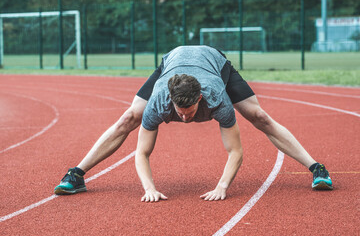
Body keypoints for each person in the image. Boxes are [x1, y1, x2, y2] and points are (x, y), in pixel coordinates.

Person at [54, 46, 333, 200]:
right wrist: (149, 189)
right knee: (128, 117)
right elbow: (142, 152)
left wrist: (223, 187)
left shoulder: (218, 100)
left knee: (260, 117)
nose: (185, 119)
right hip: (171, 63)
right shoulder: (159, 102)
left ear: (200, 98)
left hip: (214, 63)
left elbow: (235, 151)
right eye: (180, 112)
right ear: (170, 101)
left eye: (190, 111)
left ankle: (317, 168)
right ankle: (76, 174)